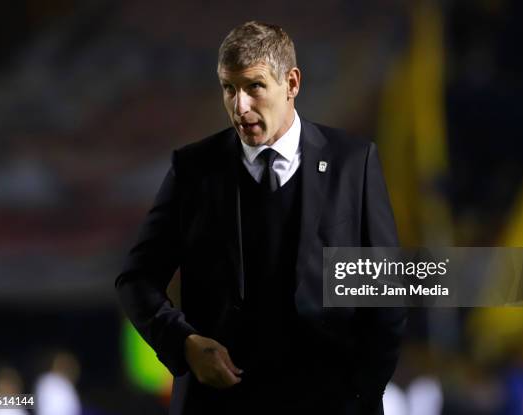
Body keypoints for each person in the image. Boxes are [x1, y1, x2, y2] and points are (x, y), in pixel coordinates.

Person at [115, 21, 406, 415]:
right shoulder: (193, 170)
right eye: (228, 88)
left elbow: (385, 292)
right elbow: (136, 279)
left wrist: (360, 392)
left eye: (254, 86)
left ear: (292, 83)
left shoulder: (353, 163)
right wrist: (183, 342)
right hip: (217, 405)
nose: (240, 106)